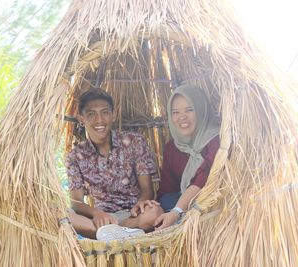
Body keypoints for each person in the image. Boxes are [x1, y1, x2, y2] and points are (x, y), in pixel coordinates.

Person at [66, 88, 162, 239]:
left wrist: (142, 203)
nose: (99, 120)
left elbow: (147, 188)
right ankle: (124, 232)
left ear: (113, 115)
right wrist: (96, 213)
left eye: (105, 112)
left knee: (155, 213)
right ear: (81, 119)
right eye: (91, 114)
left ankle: (113, 232)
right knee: (63, 216)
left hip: (134, 214)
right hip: (102, 218)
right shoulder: (75, 156)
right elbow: (76, 202)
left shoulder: (134, 141)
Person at [154, 84, 220, 230]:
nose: (181, 117)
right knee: (165, 201)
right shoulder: (173, 147)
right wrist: (151, 206)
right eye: (175, 112)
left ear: (201, 111)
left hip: (212, 202)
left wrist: (176, 211)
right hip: (184, 202)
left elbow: (204, 177)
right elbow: (167, 188)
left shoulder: (216, 139)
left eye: (189, 110)